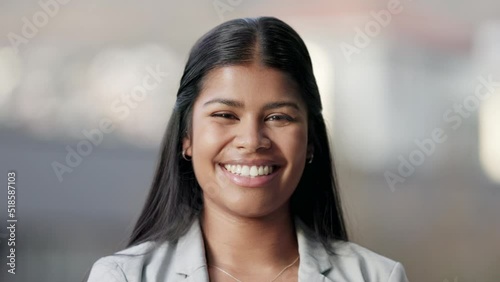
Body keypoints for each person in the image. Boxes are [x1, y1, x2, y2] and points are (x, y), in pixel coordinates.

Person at [86, 16, 409, 282]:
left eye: (278, 117)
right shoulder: (124, 276)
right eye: (225, 115)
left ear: (311, 140)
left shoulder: (376, 276)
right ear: (187, 136)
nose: (252, 140)